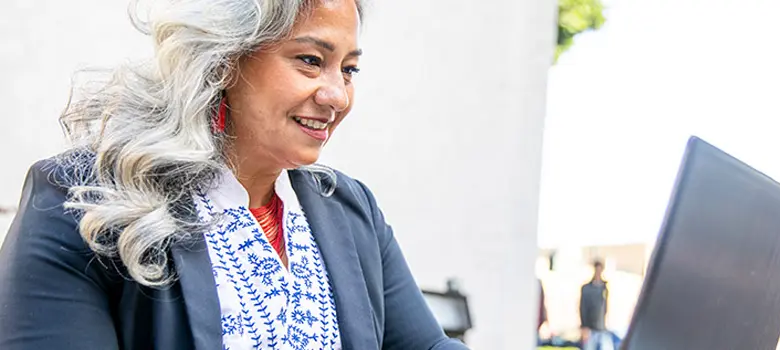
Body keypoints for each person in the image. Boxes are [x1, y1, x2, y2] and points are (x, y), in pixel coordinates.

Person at [0, 0, 468, 349]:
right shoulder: (80, 202)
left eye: (349, 69)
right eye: (310, 60)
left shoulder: (348, 209)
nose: (337, 95)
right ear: (226, 60)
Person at [579, 261, 609, 350]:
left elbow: (605, 307)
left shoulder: (604, 288)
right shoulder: (587, 289)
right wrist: (584, 326)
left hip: (601, 328)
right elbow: (583, 308)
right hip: (590, 329)